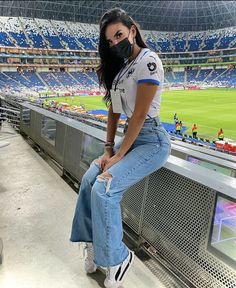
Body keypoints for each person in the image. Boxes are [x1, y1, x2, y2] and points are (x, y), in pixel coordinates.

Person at [70, 8, 171, 288]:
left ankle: (118, 257)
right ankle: (91, 244)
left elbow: (138, 116)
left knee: (104, 187)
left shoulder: (148, 62)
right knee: (90, 179)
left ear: (132, 31)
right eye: (110, 41)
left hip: (151, 141)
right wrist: (106, 150)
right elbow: (115, 113)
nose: (115, 43)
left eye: (119, 35)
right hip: (129, 139)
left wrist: (119, 155)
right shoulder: (119, 71)